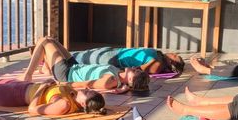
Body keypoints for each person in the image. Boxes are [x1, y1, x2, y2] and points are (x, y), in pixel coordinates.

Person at [22, 37, 150, 92]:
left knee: (44, 41)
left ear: (131, 79)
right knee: (51, 39)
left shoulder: (111, 80)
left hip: (66, 74)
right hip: (74, 66)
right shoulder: (118, 73)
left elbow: (87, 85)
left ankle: (28, 75)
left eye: (135, 71)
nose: (134, 67)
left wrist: (62, 84)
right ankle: (47, 67)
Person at [71, 46, 184, 75]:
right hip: (116, 52)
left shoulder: (158, 64)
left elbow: (139, 69)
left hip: (115, 59)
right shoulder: (158, 56)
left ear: (171, 62)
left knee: (74, 58)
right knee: (77, 55)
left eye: (174, 56)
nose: (172, 53)